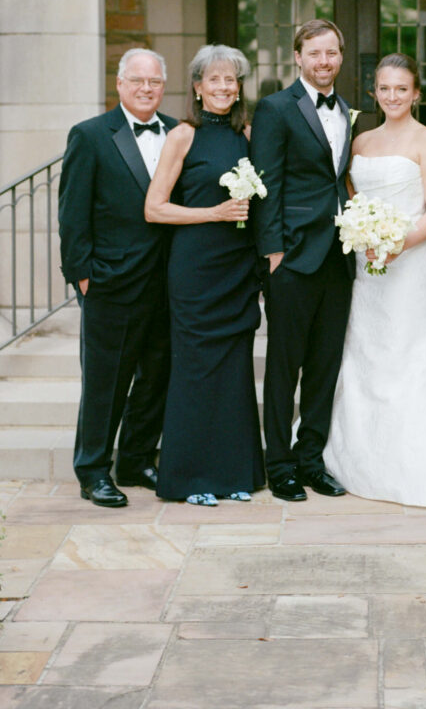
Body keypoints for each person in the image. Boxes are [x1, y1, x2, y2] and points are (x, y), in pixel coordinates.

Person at [323, 53, 426, 508]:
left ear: (416, 94)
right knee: (365, 348)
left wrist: (398, 242)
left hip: (411, 260)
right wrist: (363, 230)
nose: (392, 97)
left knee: (409, 350)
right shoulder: (362, 141)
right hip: (368, 263)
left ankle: (420, 466)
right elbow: (350, 193)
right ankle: (357, 459)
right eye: (384, 89)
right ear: (374, 93)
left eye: (401, 89)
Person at [144, 45, 265, 506]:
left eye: (231, 79)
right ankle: (191, 478)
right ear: (197, 86)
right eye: (213, 79)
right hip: (195, 267)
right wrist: (212, 213)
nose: (223, 87)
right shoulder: (183, 136)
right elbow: (154, 208)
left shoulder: (249, 134)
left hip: (238, 267)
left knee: (234, 370)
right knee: (195, 370)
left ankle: (236, 473)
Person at [58, 48, 177, 508]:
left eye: (154, 82)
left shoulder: (175, 133)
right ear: (120, 84)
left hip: (165, 283)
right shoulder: (90, 136)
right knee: (106, 381)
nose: (146, 89)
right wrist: (82, 276)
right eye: (138, 81)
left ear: (163, 87)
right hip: (110, 283)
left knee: (157, 376)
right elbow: (72, 214)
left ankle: (136, 459)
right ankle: (92, 470)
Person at [250, 19, 355, 502]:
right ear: (298, 56)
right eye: (315, 53)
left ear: (340, 56)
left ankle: (312, 458)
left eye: (331, 53)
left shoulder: (348, 112)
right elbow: (266, 186)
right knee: (284, 365)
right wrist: (273, 253)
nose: (324, 61)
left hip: (338, 257)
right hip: (291, 258)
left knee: (324, 365)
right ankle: (280, 464)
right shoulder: (275, 108)